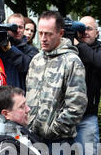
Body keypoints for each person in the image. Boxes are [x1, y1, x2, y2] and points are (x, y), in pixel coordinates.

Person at [26, 11, 87, 146]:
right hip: (33, 137)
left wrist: (53, 129)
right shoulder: (36, 60)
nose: (43, 38)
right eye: (40, 33)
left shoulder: (72, 61)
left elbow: (77, 105)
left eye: (48, 34)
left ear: (60, 33)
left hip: (60, 141)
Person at [74, 16, 101, 155]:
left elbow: (100, 63)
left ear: (97, 32)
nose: (84, 32)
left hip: (87, 116)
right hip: (63, 117)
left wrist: (79, 45)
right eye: (81, 28)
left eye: (89, 28)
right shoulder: (68, 48)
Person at [0, 13, 38, 90]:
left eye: (21, 27)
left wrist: (10, 50)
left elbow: (28, 67)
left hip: (19, 96)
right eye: (13, 27)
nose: (17, 30)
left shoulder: (31, 50)